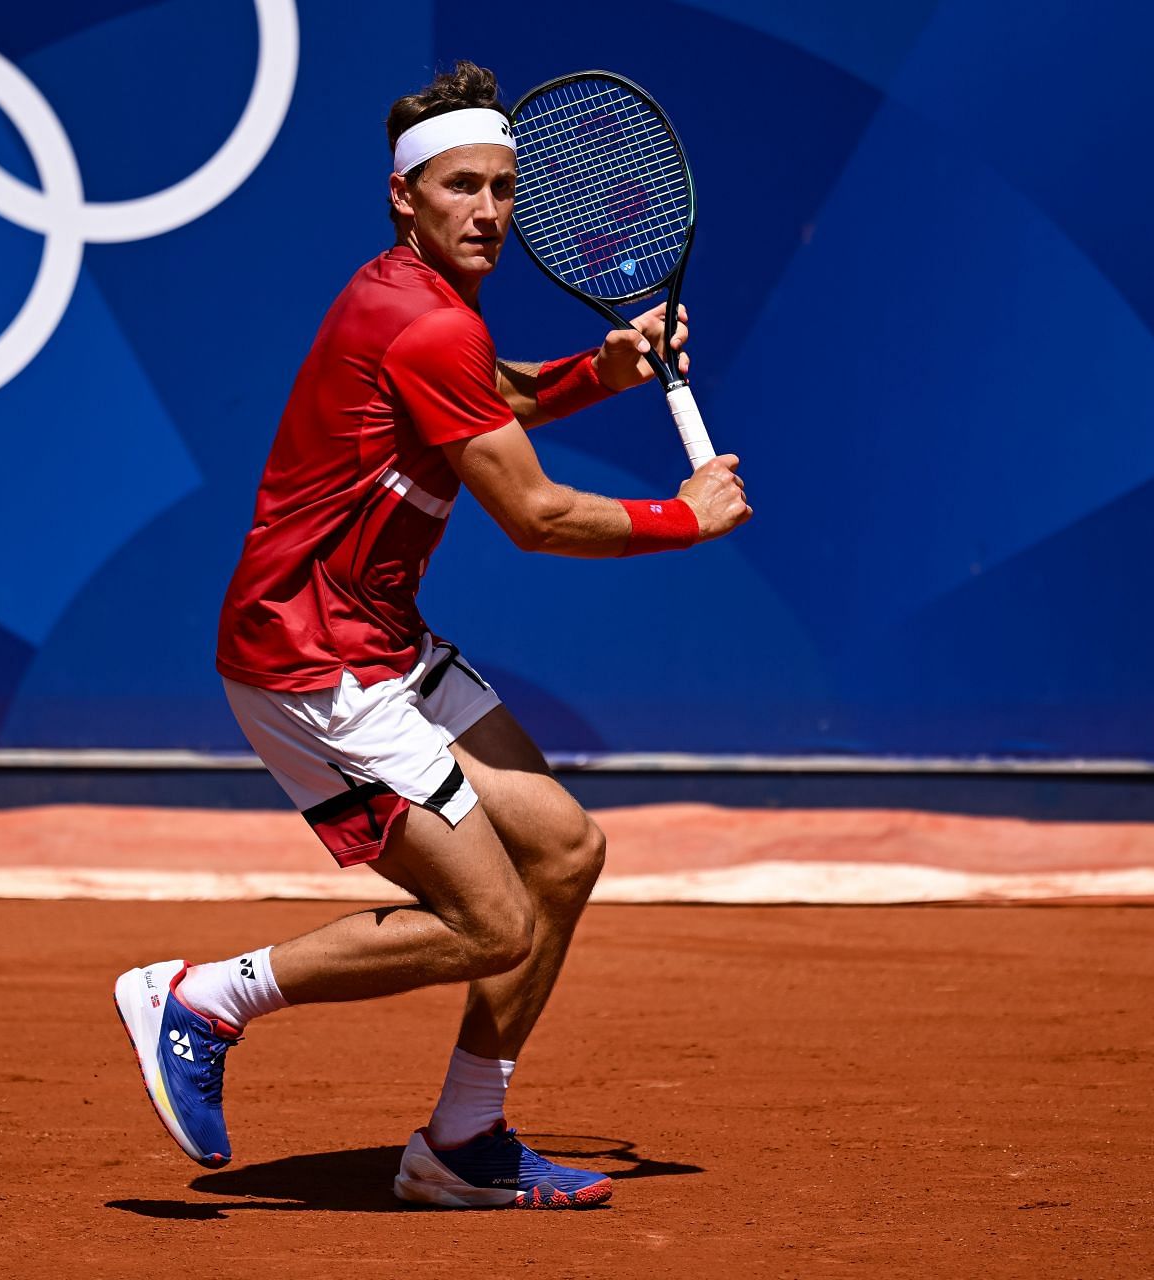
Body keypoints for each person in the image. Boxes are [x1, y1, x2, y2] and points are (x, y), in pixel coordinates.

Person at [112, 61, 751, 1210]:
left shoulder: (415, 305)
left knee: (563, 850)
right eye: (462, 187)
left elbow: (484, 386)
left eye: (506, 189)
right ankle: (202, 998)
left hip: (382, 636)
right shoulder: (421, 322)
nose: (491, 212)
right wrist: (684, 517)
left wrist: (595, 373)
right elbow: (540, 517)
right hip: (310, 661)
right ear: (404, 196)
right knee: (490, 919)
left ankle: (462, 1142)